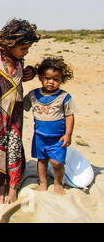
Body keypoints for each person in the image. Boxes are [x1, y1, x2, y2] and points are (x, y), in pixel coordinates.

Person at [0, 18, 40, 204]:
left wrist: (31, 72)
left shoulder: (19, 60)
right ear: (10, 43)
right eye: (23, 48)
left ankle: (13, 186)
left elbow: (20, 77)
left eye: (27, 49)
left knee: (15, 147)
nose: (25, 52)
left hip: (16, 114)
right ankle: (0, 184)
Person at [23, 57, 75, 195]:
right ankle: (43, 182)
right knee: (42, 160)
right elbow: (22, 105)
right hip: (39, 136)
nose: (51, 82)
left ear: (62, 80)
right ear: (40, 78)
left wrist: (68, 134)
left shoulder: (64, 97)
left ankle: (58, 182)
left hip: (58, 138)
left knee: (57, 163)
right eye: (47, 78)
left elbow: (69, 115)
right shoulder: (34, 95)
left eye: (56, 79)